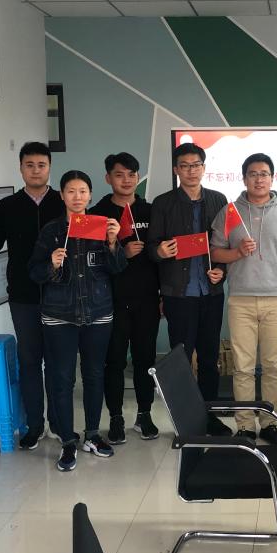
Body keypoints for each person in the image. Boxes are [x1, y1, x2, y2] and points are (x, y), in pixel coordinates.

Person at [29, 171, 127, 472]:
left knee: (94, 374)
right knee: (62, 378)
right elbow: (34, 272)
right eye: (71, 191)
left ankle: (92, 435)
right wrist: (51, 263)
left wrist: (113, 242)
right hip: (59, 315)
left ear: (90, 194)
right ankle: (68, 440)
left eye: (83, 191)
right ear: (62, 195)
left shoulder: (101, 226)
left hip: (98, 312)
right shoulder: (51, 231)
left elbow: (118, 268)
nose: (77, 197)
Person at [211, 153, 277, 444]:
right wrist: (237, 252)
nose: (259, 179)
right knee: (243, 367)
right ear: (244, 178)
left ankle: (270, 423)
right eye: (253, 174)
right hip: (241, 299)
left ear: (272, 178)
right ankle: (246, 425)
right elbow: (215, 251)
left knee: (273, 366)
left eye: (264, 174)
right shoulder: (230, 212)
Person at [0, 141, 64, 450]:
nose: (36, 170)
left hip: (61, 294)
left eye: (41, 165)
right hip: (23, 295)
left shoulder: (63, 202)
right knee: (29, 361)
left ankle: (60, 423)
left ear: (49, 167)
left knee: (58, 363)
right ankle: (34, 425)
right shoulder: (8, 206)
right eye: (30, 165)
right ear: (21, 168)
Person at [146, 142, 233, 436]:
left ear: (204, 168)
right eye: (184, 166)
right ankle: (184, 420)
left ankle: (210, 416)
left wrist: (222, 271)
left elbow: (226, 245)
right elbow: (152, 248)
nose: (191, 171)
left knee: (209, 358)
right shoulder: (163, 203)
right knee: (181, 360)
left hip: (210, 292)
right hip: (178, 293)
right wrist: (160, 251)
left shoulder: (219, 200)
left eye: (196, 165)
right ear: (176, 170)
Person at [89, 152, 160, 444]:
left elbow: (160, 256)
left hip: (147, 299)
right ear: (108, 178)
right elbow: (91, 260)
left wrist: (162, 295)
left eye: (132, 174)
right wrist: (121, 252)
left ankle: (145, 414)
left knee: (145, 360)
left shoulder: (151, 211)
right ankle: (115, 417)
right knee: (114, 362)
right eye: (119, 175)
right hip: (112, 300)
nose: (127, 180)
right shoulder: (97, 213)